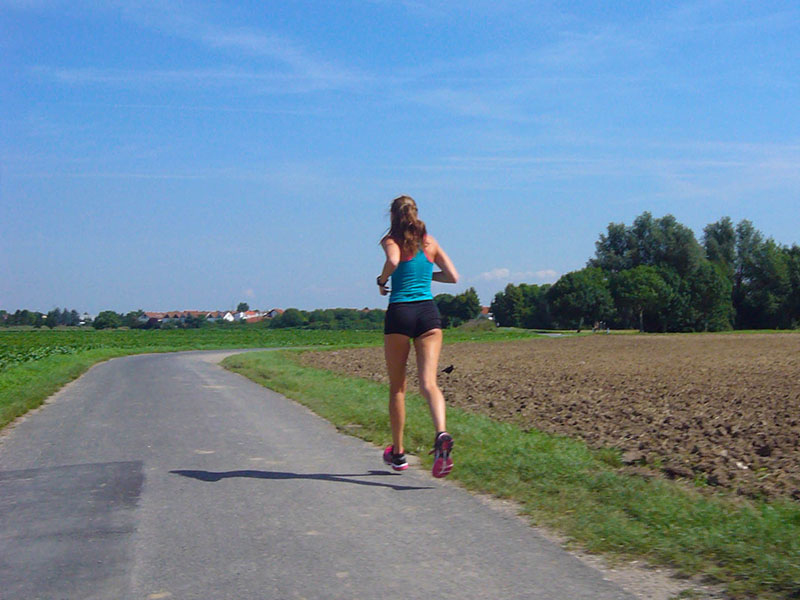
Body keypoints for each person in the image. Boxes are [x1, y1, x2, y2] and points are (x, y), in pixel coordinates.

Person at [376, 196, 459, 478]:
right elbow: (453, 276)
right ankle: (441, 433)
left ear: (392, 215)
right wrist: (427, 275)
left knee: (398, 387)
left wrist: (382, 280)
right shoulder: (429, 241)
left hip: (400, 312)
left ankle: (398, 454)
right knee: (429, 383)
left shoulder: (391, 239)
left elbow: (393, 259)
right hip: (428, 314)